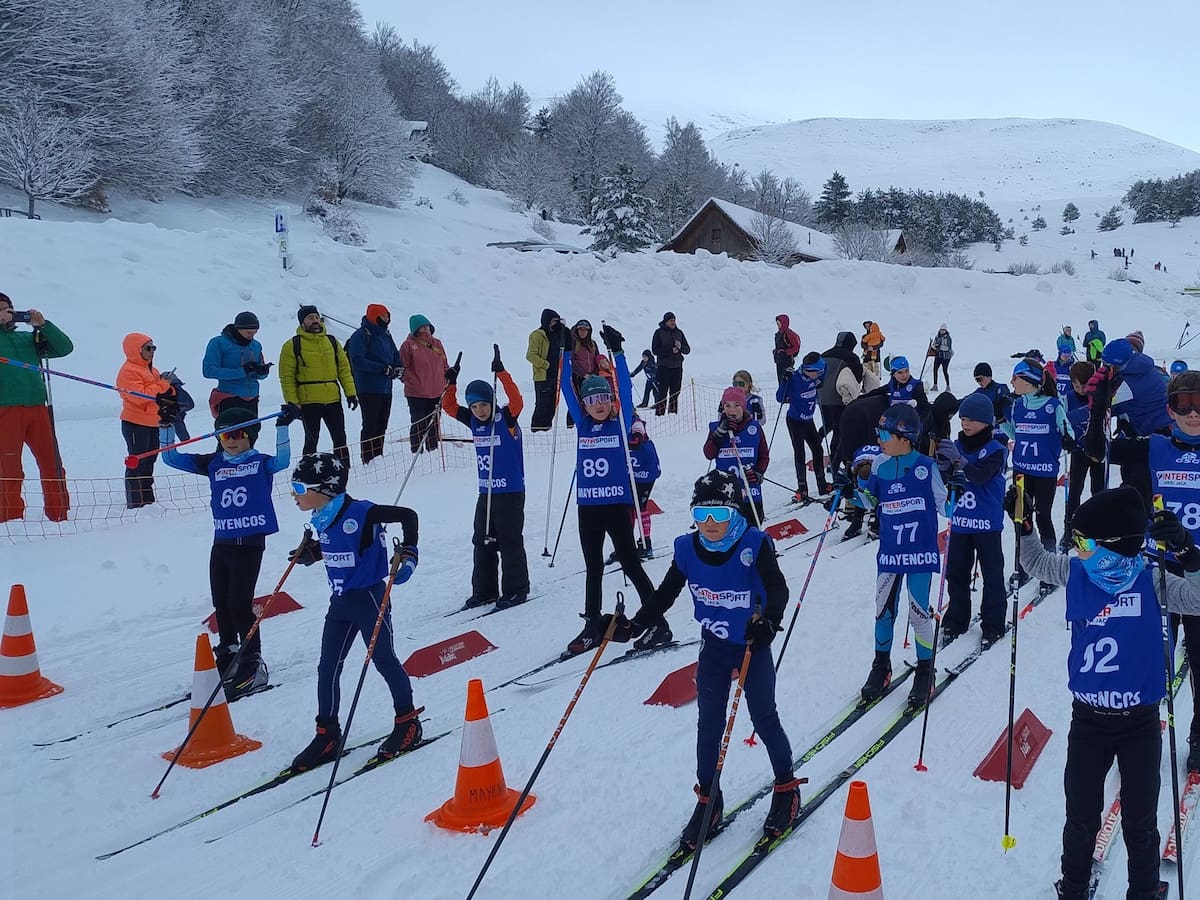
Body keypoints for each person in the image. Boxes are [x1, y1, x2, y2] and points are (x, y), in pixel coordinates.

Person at [1008, 487, 1200, 900]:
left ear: (1111, 546)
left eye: (1082, 541)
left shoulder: (1154, 580)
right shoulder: (1078, 571)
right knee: (1080, 817)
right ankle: (1074, 887)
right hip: (1089, 721)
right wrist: (1024, 528)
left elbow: (1199, 598)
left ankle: (1145, 890)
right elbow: (1036, 562)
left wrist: (1188, 553)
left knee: (1140, 821)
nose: (1076, 549)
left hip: (1140, 725)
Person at [603, 469, 802, 850]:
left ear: (736, 513)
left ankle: (786, 785)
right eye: (701, 515)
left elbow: (777, 588)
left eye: (720, 516)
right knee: (708, 725)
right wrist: (633, 627)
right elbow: (665, 594)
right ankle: (709, 800)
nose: (710, 525)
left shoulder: (754, 544)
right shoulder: (686, 548)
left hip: (750, 646)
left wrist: (769, 623)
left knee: (763, 717)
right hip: (714, 646)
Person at [1086, 369, 1200, 772]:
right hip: (1157, 571)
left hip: (1199, 571)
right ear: (1170, 410)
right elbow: (1097, 452)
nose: (1193, 414)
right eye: (1184, 405)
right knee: (1152, 658)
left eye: (1199, 405)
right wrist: (1099, 407)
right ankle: (1143, 729)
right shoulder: (1154, 445)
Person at [286, 452, 424, 772]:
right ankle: (328, 734)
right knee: (328, 667)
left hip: (369, 599)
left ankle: (408, 722)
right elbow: (341, 546)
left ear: (326, 488)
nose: (294, 493)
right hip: (340, 603)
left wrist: (410, 554)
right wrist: (314, 553)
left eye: (299, 486)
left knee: (383, 659)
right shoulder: (322, 515)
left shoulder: (361, 512)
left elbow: (408, 515)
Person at [160, 404, 299, 698]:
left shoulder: (261, 462)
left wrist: (283, 425)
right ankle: (228, 653)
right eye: (224, 436)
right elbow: (171, 458)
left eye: (237, 434)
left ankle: (253, 660)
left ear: (250, 436)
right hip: (222, 541)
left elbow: (284, 460)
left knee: (239, 604)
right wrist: (166, 424)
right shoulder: (213, 462)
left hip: (249, 544)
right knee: (221, 604)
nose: (231, 441)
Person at [559, 324, 656, 656]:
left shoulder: (619, 422)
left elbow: (626, 389)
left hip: (617, 505)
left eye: (604, 398)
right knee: (593, 566)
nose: (598, 404)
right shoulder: (583, 423)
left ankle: (656, 619)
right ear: (585, 404)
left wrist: (617, 351)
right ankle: (591, 626)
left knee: (630, 562)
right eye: (592, 399)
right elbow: (564, 387)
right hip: (588, 507)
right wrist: (562, 350)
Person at [854, 403, 947, 706]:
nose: (879, 438)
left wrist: (959, 485)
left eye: (884, 433)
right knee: (883, 612)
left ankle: (925, 670)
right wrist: (855, 486)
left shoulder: (925, 466)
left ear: (904, 437)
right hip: (891, 554)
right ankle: (881, 665)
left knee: (919, 614)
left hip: (919, 553)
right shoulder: (880, 465)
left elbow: (946, 507)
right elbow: (870, 503)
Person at [442, 346, 530, 609]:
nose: (479, 410)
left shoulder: (506, 417)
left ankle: (516, 589)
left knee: (510, 541)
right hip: (486, 492)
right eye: (475, 405)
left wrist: (501, 372)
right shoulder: (473, 421)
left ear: (491, 402)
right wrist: (452, 382)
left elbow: (517, 400)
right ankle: (485, 590)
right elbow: (448, 406)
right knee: (482, 540)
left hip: (510, 492)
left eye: (483, 404)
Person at [934, 392, 1008, 647]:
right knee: (956, 573)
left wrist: (958, 461)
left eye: (972, 420)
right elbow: (948, 480)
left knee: (992, 574)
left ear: (986, 422)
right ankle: (956, 619)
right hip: (962, 521)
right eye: (963, 418)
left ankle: (994, 623)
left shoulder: (996, 448)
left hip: (987, 523)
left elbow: (979, 475)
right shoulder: (958, 445)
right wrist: (944, 467)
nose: (966, 424)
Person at [0, 295, 72, 522]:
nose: (5, 313)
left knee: (52, 462)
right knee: (9, 467)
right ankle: (9, 519)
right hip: (6, 410)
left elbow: (64, 348)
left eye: (8, 308)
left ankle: (58, 513)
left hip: (38, 408)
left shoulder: (27, 338)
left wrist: (43, 325)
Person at [1003, 357, 1073, 593]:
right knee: (1021, 519)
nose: (1012, 382)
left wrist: (1067, 437)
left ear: (1028, 381)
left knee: (1043, 517)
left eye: (1016, 378)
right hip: (1022, 471)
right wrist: (1002, 422)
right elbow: (1017, 432)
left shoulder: (1053, 405)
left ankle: (1049, 568)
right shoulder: (1018, 405)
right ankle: (1024, 564)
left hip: (1044, 472)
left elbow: (1068, 431)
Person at [1087, 337, 1171, 505]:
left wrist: (1094, 400)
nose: (1104, 369)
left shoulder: (1130, 383)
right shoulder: (1140, 369)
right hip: (1146, 434)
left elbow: (1105, 409)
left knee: (1138, 491)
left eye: (1107, 365)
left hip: (1150, 440)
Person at [279, 306, 357, 469]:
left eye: (316, 317)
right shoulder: (292, 345)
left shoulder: (332, 342)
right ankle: (306, 470)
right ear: (302, 323)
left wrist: (350, 393)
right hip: (309, 401)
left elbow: (344, 369)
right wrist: (293, 402)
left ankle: (344, 469)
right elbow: (287, 377)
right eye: (310, 318)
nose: (314, 321)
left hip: (333, 398)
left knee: (340, 437)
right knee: (311, 439)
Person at [117, 333, 176, 509]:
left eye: (153, 348)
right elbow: (141, 397)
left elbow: (158, 393)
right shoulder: (128, 371)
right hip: (135, 423)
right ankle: (135, 502)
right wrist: (163, 386)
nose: (152, 352)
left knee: (150, 461)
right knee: (137, 462)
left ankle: (148, 500)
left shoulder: (152, 370)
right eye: (148, 348)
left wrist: (170, 391)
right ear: (136, 350)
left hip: (152, 422)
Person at [704, 386, 769, 524]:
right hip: (725, 491)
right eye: (727, 405)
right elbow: (709, 454)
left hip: (750, 489)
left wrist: (758, 472)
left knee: (753, 527)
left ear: (744, 406)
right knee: (728, 529)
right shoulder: (716, 427)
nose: (731, 410)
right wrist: (718, 435)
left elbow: (764, 456)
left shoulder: (754, 428)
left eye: (736, 405)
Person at [346, 304, 402, 465]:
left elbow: (394, 353)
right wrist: (382, 369)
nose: (386, 319)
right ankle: (368, 459)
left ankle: (378, 457)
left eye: (388, 316)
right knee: (370, 424)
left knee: (382, 425)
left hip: (385, 388)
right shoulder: (361, 335)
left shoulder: (386, 335)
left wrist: (397, 367)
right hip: (368, 387)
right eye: (383, 316)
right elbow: (357, 360)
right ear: (373, 316)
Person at [776, 351, 830, 503]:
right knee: (799, 453)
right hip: (795, 421)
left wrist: (821, 371)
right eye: (816, 372)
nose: (819, 375)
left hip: (809, 420)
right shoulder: (795, 378)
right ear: (808, 370)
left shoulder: (818, 373)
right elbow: (780, 398)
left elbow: (825, 368)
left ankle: (822, 484)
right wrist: (784, 380)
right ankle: (802, 488)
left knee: (818, 449)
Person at [202, 311, 271, 419]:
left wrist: (262, 372)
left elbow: (259, 373)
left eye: (255, 333)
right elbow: (208, 370)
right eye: (249, 333)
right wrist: (242, 371)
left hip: (252, 398)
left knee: (250, 434)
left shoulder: (256, 345)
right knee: (230, 435)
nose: (252, 336)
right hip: (228, 397)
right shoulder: (218, 343)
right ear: (238, 329)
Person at [1063, 362, 1102, 547]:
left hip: (1098, 451)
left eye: (1084, 385)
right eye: (1076, 385)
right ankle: (1069, 529)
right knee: (1075, 491)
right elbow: (1062, 421)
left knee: (1098, 491)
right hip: (1078, 450)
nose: (1080, 389)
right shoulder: (1068, 397)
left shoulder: (1099, 395)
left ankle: (1099, 528)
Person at [397, 313, 448, 454]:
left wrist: (446, 377)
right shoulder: (407, 345)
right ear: (415, 329)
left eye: (427, 326)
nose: (426, 329)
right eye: (422, 327)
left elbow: (444, 363)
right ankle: (417, 451)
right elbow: (403, 368)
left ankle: (433, 450)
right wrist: (412, 381)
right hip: (417, 392)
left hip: (437, 390)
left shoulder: (437, 344)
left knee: (434, 423)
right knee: (418, 422)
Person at [819, 331, 866, 462]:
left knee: (827, 422)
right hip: (838, 398)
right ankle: (834, 461)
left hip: (821, 396)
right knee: (838, 429)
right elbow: (858, 375)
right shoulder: (851, 357)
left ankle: (817, 440)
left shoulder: (824, 355)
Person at [525, 308, 565, 432]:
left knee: (552, 404)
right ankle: (536, 429)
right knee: (542, 403)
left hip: (555, 375)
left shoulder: (557, 335)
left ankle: (547, 428)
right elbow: (530, 355)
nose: (555, 324)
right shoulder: (537, 335)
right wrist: (546, 365)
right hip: (542, 375)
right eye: (553, 321)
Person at [628, 418, 660, 560]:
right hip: (631, 473)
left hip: (645, 472)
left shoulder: (633, 421)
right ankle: (626, 545)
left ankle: (646, 544)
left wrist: (637, 437)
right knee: (627, 509)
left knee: (640, 508)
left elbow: (638, 427)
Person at [651, 311, 690, 416]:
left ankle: (673, 415)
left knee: (675, 393)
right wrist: (670, 350)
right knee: (662, 393)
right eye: (671, 320)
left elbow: (687, 350)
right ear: (666, 321)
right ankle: (659, 415)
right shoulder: (658, 333)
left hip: (677, 367)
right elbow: (655, 350)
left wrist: (680, 347)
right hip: (663, 368)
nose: (673, 322)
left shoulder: (679, 332)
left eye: (674, 320)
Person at [883, 356, 931, 427]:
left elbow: (925, 410)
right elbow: (878, 391)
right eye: (900, 372)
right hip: (895, 424)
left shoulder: (915, 387)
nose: (904, 375)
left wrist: (915, 423)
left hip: (911, 428)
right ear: (893, 374)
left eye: (906, 371)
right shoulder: (892, 384)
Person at [971, 363, 1013, 433]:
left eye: (980, 379)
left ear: (989, 376)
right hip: (987, 431)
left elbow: (1010, 404)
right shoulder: (978, 392)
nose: (978, 382)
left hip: (1002, 429)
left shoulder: (1001, 389)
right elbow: (966, 401)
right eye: (976, 380)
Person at [772, 314, 801, 385]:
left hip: (787, 361)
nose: (778, 325)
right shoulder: (778, 334)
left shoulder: (789, 334)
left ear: (784, 323)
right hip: (779, 360)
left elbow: (796, 346)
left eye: (779, 323)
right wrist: (775, 352)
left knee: (787, 380)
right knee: (781, 381)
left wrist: (786, 352)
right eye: (777, 323)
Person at [930, 324, 953, 391]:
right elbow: (934, 345)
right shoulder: (937, 337)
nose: (942, 331)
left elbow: (948, 348)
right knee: (935, 370)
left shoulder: (948, 338)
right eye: (941, 330)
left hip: (946, 357)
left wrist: (939, 347)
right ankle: (935, 385)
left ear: (946, 330)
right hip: (938, 356)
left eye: (943, 330)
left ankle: (948, 386)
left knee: (945, 371)